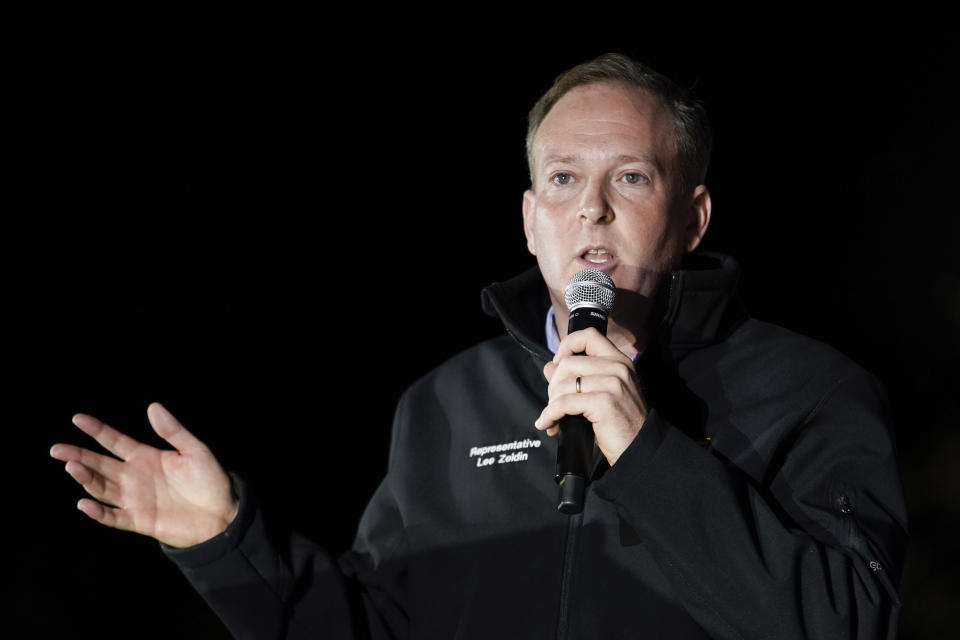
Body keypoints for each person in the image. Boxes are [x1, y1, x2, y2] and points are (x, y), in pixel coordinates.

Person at [50, 53, 908, 639]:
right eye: (563, 179)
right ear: (531, 218)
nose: (592, 209)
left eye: (632, 178)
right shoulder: (444, 404)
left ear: (692, 218)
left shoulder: (810, 390)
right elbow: (376, 627)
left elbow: (850, 620)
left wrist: (648, 453)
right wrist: (224, 542)